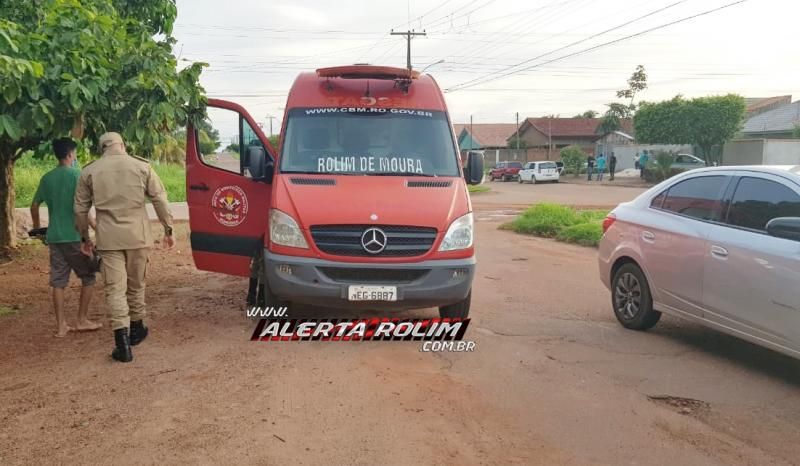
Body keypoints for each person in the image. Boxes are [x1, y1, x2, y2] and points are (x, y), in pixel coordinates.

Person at [74, 132, 174, 363]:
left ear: (102, 148)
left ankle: (122, 343)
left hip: (109, 240)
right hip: (138, 236)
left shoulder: (89, 171)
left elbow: (80, 209)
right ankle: (137, 329)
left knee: (115, 289)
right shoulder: (141, 166)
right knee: (136, 284)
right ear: (123, 145)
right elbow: (159, 199)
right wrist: (168, 230)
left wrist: (84, 238)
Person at [30, 138, 101, 337]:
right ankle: (81, 319)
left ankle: (62, 326)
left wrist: (37, 229)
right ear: (71, 154)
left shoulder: (47, 178)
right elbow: (83, 210)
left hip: (54, 237)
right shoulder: (78, 176)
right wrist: (96, 229)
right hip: (74, 236)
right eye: (75, 154)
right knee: (88, 277)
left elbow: (34, 206)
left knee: (58, 282)